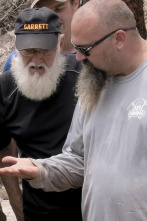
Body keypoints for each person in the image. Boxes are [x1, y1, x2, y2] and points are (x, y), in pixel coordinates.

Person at [1, 0, 147, 220]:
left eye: (85, 49)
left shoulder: (94, 75)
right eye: (29, 51)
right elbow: (79, 159)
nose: (78, 58)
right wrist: (40, 170)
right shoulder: (95, 79)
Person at [0, 7, 82, 221]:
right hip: (37, 209)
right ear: (16, 47)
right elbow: (3, 149)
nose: (37, 60)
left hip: (87, 206)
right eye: (28, 51)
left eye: (45, 50)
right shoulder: (6, 87)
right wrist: (17, 205)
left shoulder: (84, 75)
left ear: (60, 43)